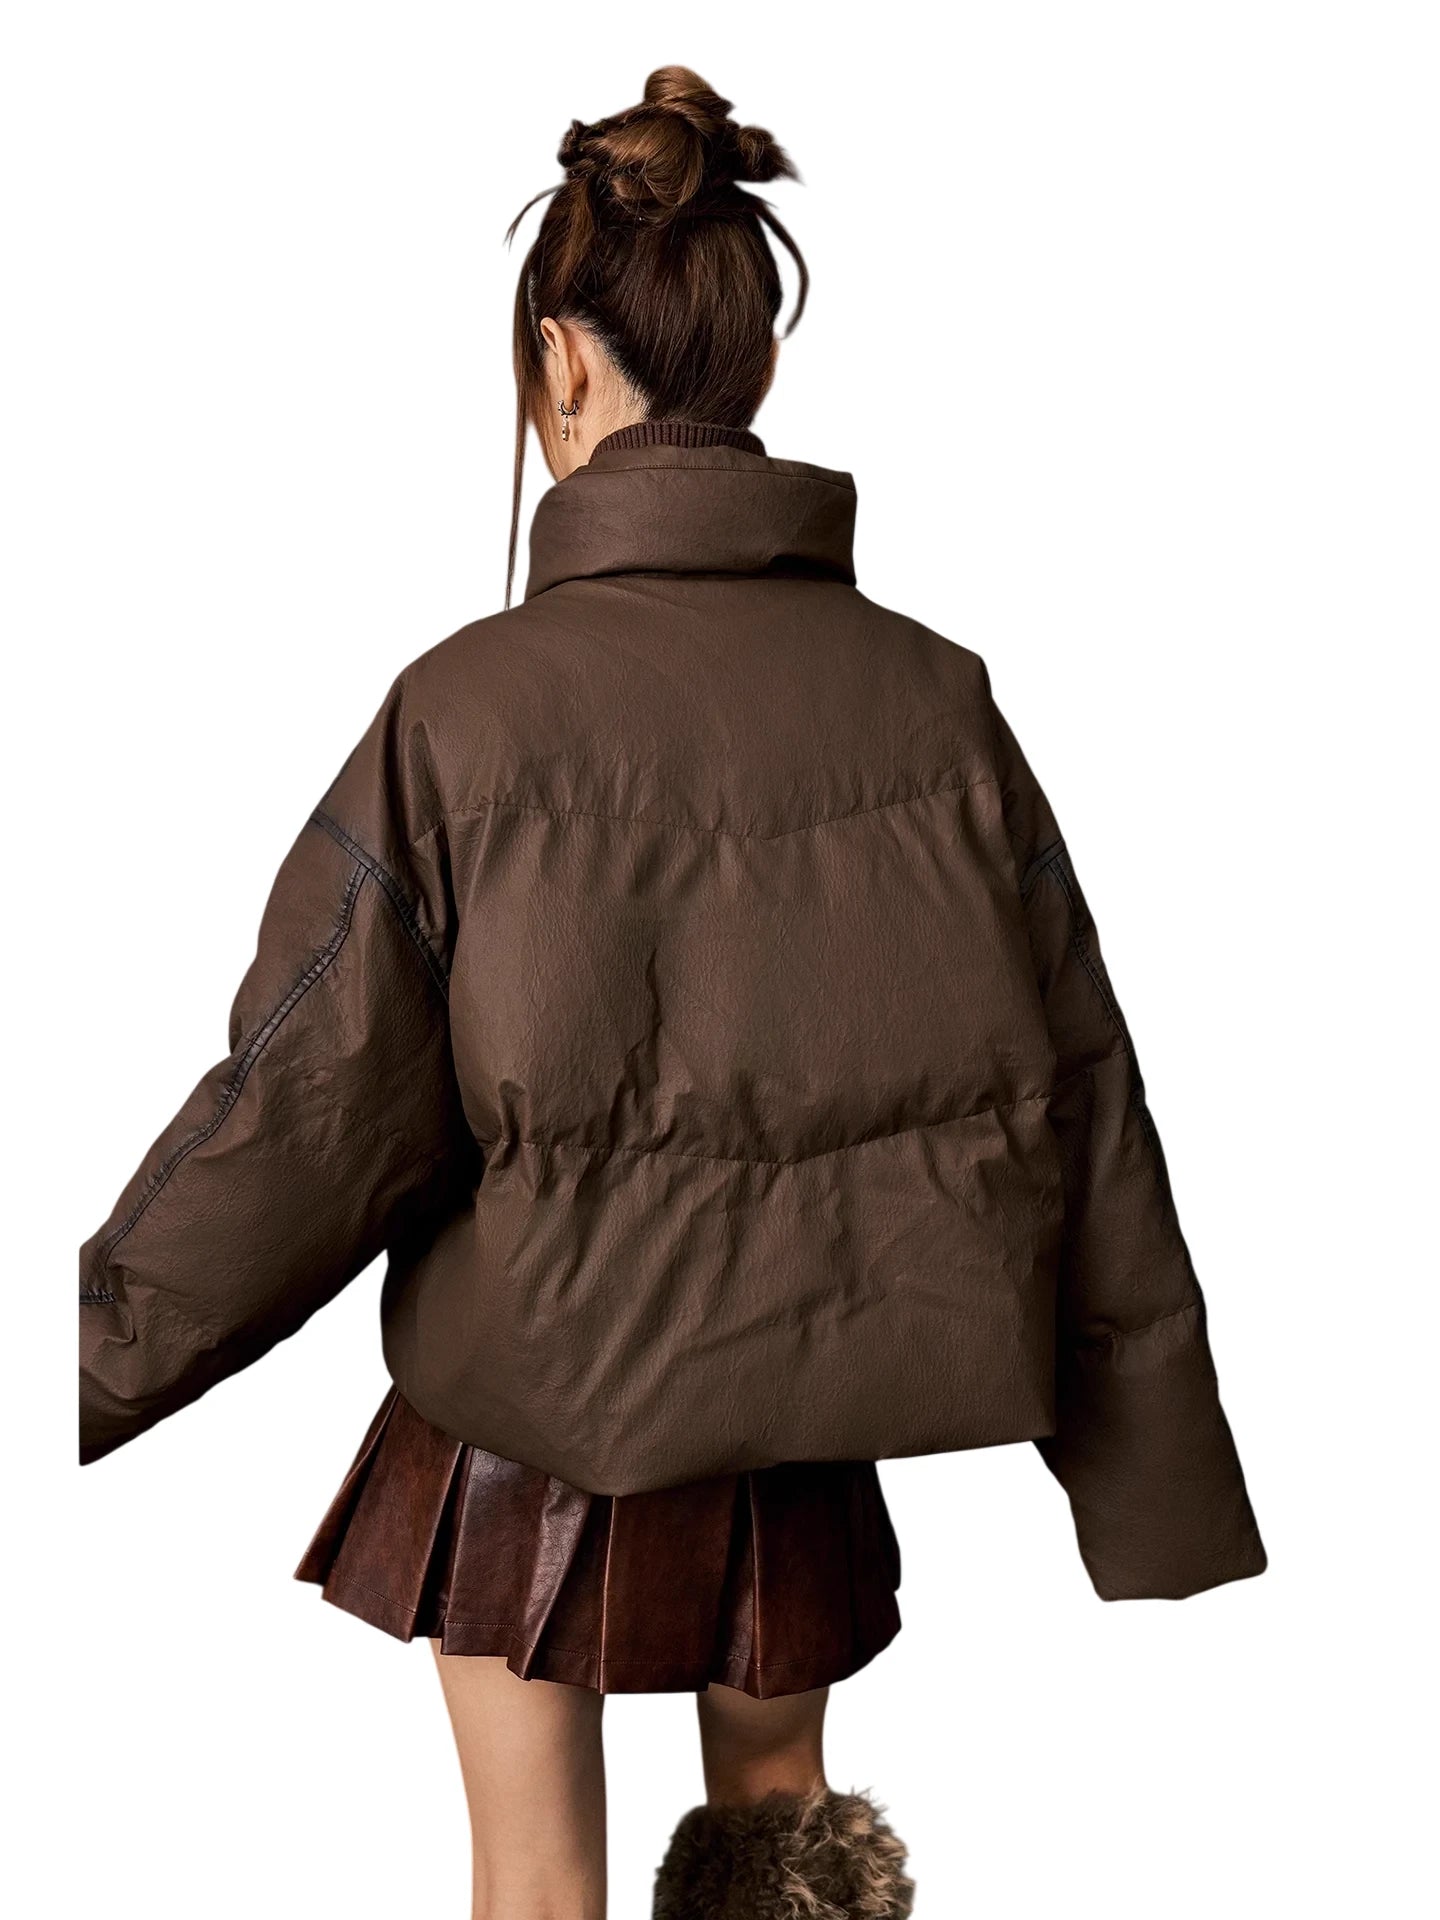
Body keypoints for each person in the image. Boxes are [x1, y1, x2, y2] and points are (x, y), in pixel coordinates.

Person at [78, 66, 1266, 1920]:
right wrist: (1158, 1482)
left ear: (561, 362)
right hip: (803, 1409)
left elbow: (303, 1106)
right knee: (783, 1845)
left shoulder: (464, 711)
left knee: (534, 1882)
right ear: (755, 366)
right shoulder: (938, 699)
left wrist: (86, 1357)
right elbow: (1084, 1098)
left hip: (521, 1416)